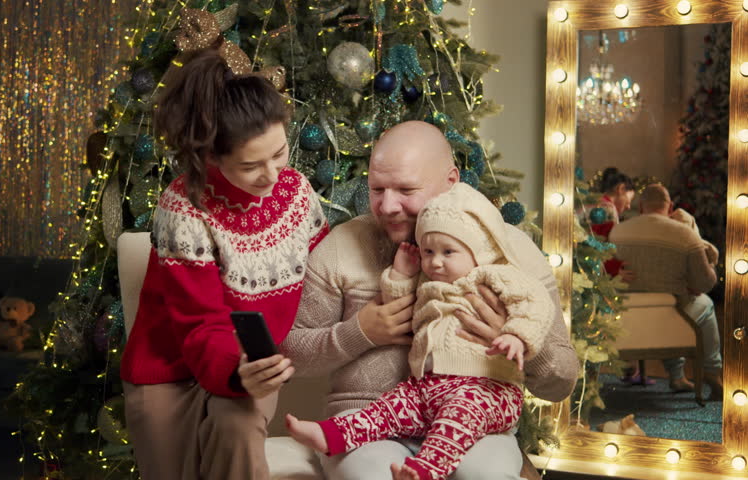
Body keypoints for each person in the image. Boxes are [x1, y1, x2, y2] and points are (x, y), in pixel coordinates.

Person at [281, 121, 578, 480]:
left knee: (488, 475)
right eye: (377, 189)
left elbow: (561, 382)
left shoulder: (511, 251)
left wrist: (520, 337)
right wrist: (359, 332)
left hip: (474, 423)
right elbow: (289, 354)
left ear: (451, 182)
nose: (388, 206)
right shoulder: (341, 248)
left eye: (406, 189)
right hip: (368, 420)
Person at [119, 44, 328, 480]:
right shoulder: (184, 208)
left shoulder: (298, 193)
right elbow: (202, 325)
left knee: (238, 423)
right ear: (211, 157)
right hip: (169, 370)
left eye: (280, 153)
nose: (273, 176)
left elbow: (330, 267)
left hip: (251, 362)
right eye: (252, 165)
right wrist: (235, 372)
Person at [609, 183, 722, 397]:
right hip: (672, 316)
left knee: (674, 306)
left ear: (641, 206)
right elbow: (705, 283)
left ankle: (678, 376)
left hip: (625, 317)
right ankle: (711, 371)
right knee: (704, 304)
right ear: (670, 207)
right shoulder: (686, 235)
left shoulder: (618, 232)